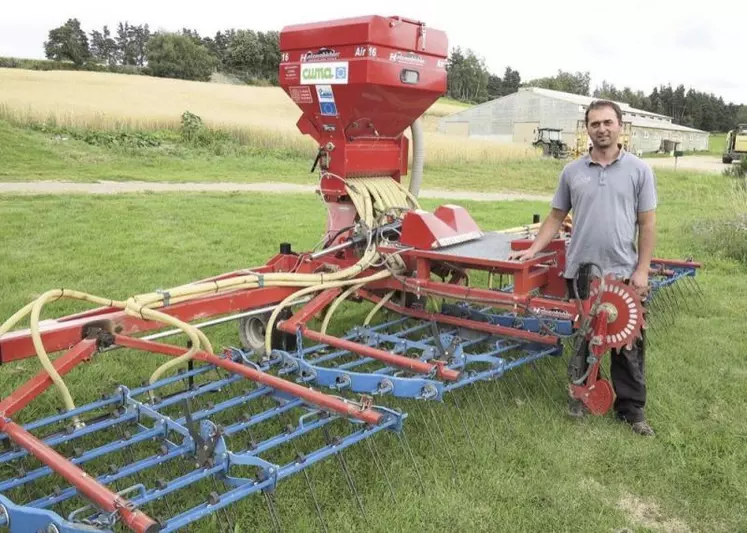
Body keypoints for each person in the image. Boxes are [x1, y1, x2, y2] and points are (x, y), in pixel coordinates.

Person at [508, 100, 657, 437]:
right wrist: (532, 249)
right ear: (587, 128)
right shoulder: (572, 172)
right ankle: (581, 396)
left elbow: (647, 224)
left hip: (622, 270)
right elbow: (556, 217)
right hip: (582, 272)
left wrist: (643, 269)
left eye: (608, 122)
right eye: (595, 124)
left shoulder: (639, 171)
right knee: (585, 338)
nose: (601, 129)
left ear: (620, 126)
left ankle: (632, 410)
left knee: (627, 343)